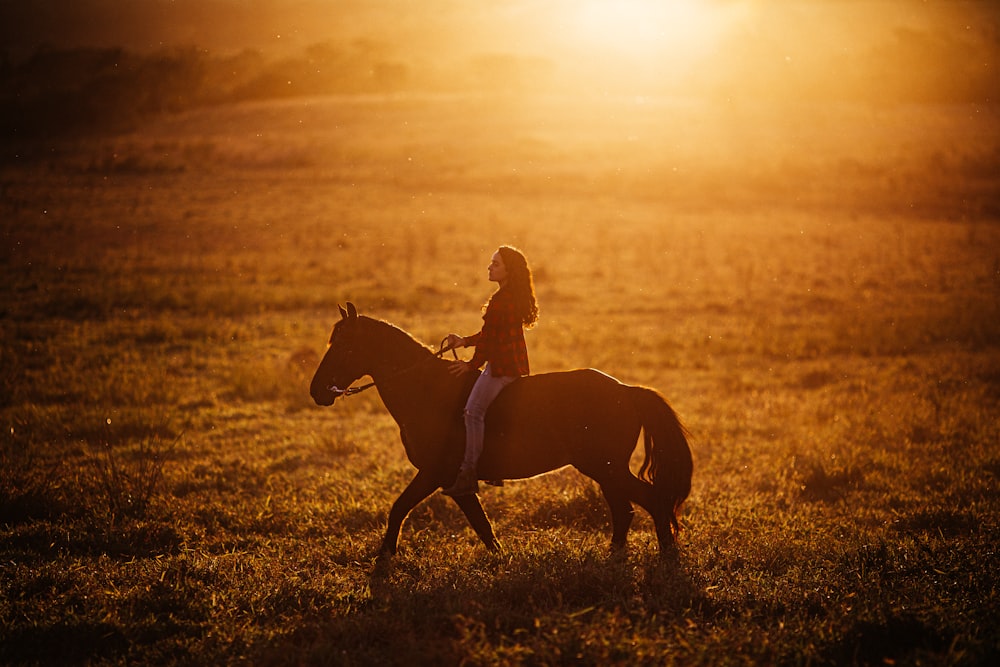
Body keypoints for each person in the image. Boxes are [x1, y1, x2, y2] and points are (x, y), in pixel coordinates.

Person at [441, 245, 539, 497]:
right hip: (513, 366)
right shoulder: (511, 296)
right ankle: (493, 467)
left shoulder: (500, 301)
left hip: (500, 369)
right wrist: (463, 341)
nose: (490, 267)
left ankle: (468, 472)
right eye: (491, 263)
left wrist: (470, 365)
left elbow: (489, 343)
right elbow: (489, 334)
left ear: (508, 270)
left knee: (472, 412)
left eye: (495, 264)